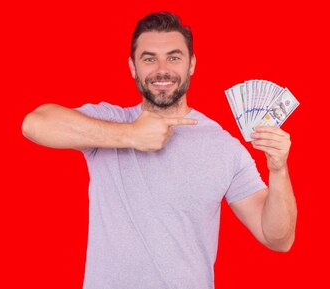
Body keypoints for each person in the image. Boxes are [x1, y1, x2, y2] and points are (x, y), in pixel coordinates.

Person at [21, 11, 296, 289]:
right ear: (132, 67)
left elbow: (277, 238)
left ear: (191, 65)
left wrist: (279, 169)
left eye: (174, 57)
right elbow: (35, 123)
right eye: (149, 58)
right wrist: (131, 135)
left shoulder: (223, 146)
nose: (161, 69)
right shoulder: (110, 120)